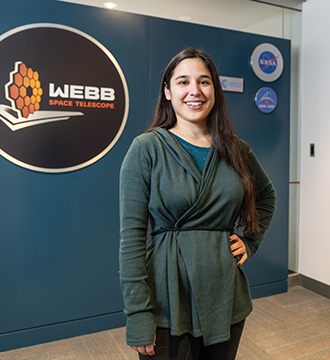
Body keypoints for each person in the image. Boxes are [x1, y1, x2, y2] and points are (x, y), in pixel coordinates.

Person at [119, 48, 276, 360]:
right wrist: (137, 314)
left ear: (214, 90)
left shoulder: (236, 148)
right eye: (182, 82)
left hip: (224, 294)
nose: (195, 91)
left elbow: (266, 196)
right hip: (167, 296)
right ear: (167, 91)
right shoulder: (147, 148)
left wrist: (250, 241)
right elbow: (132, 238)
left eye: (204, 82)